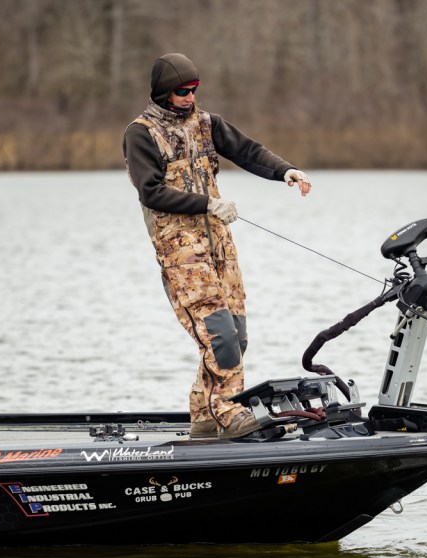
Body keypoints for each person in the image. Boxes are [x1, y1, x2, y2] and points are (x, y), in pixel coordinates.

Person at [123, 53, 311, 439]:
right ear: (163, 93)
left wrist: (286, 171)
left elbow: (248, 151)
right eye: (182, 91)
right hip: (182, 253)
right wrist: (208, 204)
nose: (190, 97)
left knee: (237, 335)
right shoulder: (140, 134)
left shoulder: (207, 124)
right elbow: (151, 192)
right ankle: (226, 412)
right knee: (219, 336)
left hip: (220, 245)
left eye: (194, 89)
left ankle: (205, 415)